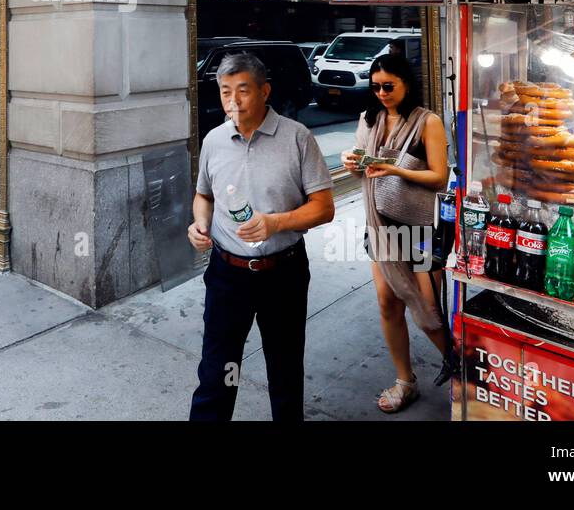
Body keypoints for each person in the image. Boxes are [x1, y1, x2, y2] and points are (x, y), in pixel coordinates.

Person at [187, 52, 335, 421]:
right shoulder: (214, 140)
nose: (233, 102)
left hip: (282, 272)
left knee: (284, 368)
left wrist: (275, 222)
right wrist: (199, 224)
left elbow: (324, 207)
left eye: (243, 91)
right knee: (216, 370)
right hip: (227, 273)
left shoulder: (297, 137)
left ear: (264, 91)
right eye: (225, 92)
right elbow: (204, 195)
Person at [341, 53, 456, 413]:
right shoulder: (369, 119)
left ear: (407, 82)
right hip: (381, 223)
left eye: (388, 86)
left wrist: (395, 170)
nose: (381, 93)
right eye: (375, 87)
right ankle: (405, 380)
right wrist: (354, 164)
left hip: (421, 229)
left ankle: (463, 370)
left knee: (427, 308)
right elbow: (365, 170)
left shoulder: (428, 122)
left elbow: (438, 177)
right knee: (387, 302)